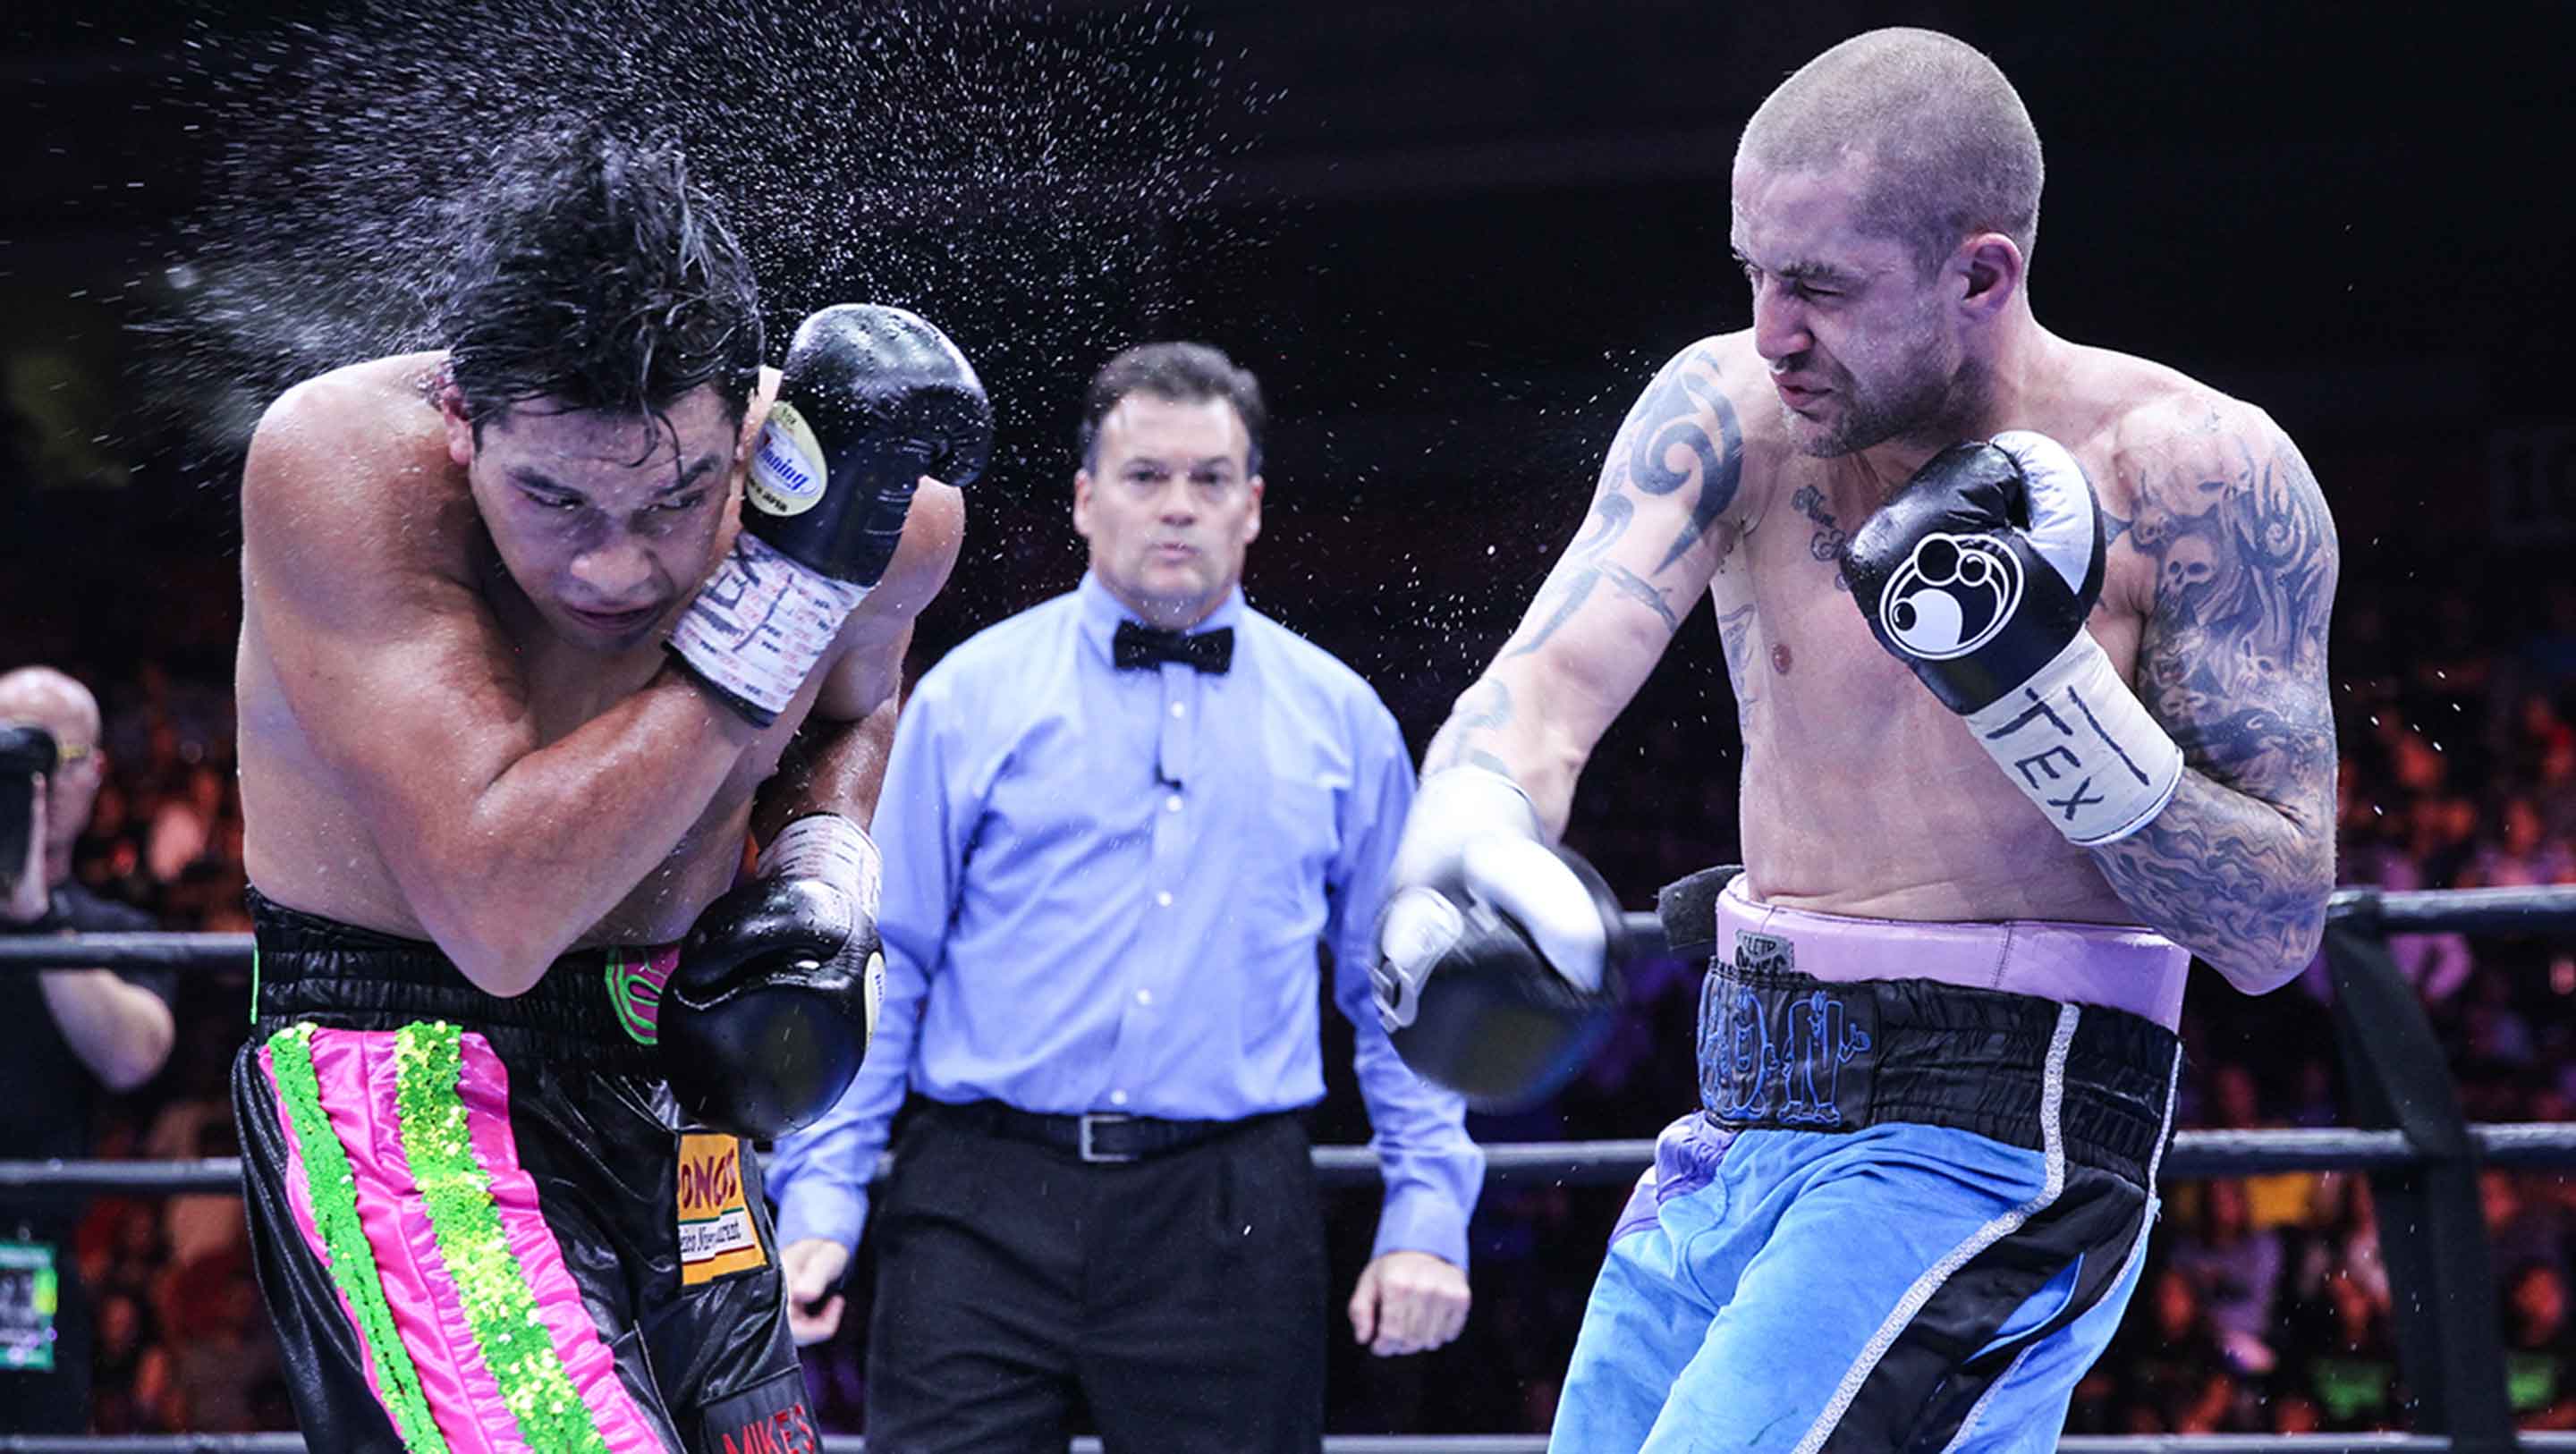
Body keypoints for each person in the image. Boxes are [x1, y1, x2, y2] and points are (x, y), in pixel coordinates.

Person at [1373, 27, 2338, 1450]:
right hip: (1739, 1109)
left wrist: (2043, 701)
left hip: (2001, 1133)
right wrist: (1469, 811)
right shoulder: (1732, 414)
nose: (1773, 330)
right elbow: (1557, 668)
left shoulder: (2193, 470)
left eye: (1820, 287)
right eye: (1756, 271)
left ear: (1981, 274)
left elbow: (2274, 925)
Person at [227, 126, 987, 1453]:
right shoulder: (343, 469)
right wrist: (774, 597)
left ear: (752, 425)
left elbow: (860, 710)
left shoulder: (878, 508)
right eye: (556, 502)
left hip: (678, 1070)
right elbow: (501, 910)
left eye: (682, 494)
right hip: (406, 1063)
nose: (620, 565)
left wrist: (824, 864)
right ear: (463, 419)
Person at [765, 342, 1483, 1452]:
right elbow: (882, 966)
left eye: (1209, 479)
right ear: (1087, 500)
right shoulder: (967, 700)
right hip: (980, 1202)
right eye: (1147, 477)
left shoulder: (1341, 721)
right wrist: (822, 1198)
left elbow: (1395, 987)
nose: (1178, 507)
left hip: (1228, 1215)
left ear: (1251, 506)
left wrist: (1428, 1211)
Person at [0, 666, 178, 1432]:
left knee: (37, 1435)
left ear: (95, 774)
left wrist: (34, 918)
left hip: (24, 1258)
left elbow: (134, 1054)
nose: (30, 784)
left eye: (50, 761)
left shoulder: (116, 928)